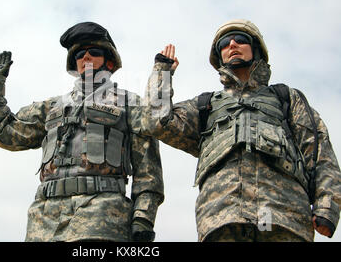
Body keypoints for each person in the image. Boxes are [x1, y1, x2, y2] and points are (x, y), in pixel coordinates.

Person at [141, 19, 341, 241]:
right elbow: (156, 121)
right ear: (220, 57)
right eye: (224, 43)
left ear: (256, 48)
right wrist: (162, 72)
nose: (232, 45)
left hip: (284, 220)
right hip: (222, 221)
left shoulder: (286, 99)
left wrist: (327, 207)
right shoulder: (206, 105)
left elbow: (320, 152)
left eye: (240, 39)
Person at [0, 22, 164, 242]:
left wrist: (143, 217)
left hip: (101, 215)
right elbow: (3, 132)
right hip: (44, 218)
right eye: (79, 54)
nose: (85, 57)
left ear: (109, 61)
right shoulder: (52, 107)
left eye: (94, 52)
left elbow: (148, 168)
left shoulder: (130, 104)